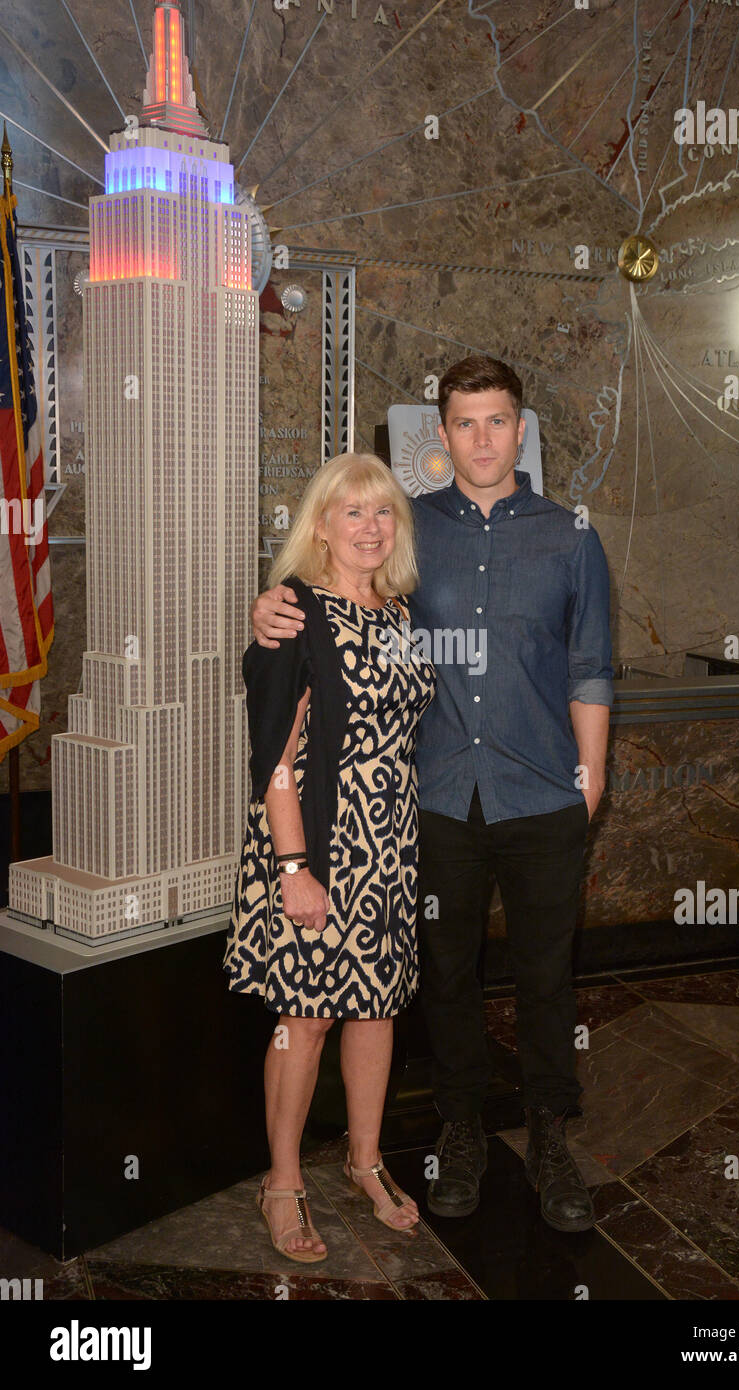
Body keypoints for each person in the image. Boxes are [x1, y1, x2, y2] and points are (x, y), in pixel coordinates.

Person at [249, 356, 613, 1233]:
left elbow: (592, 666)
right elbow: (320, 610)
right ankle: (459, 1134)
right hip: (434, 807)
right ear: (440, 436)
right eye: (464, 423)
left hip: (539, 798)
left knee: (544, 979)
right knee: (442, 980)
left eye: (497, 421)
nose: (482, 437)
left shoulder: (570, 535)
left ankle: (551, 1138)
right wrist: (265, 609)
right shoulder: (413, 531)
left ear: (521, 429)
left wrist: (591, 783)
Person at [223, 451, 436, 1262]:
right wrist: (293, 869)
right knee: (305, 1020)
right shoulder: (293, 614)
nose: (371, 527)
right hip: (314, 846)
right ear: (320, 526)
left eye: (384, 512)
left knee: (377, 1007)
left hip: (390, 847)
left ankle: (365, 1161)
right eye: (353, 513)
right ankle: (281, 1183)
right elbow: (274, 756)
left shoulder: (401, 615)